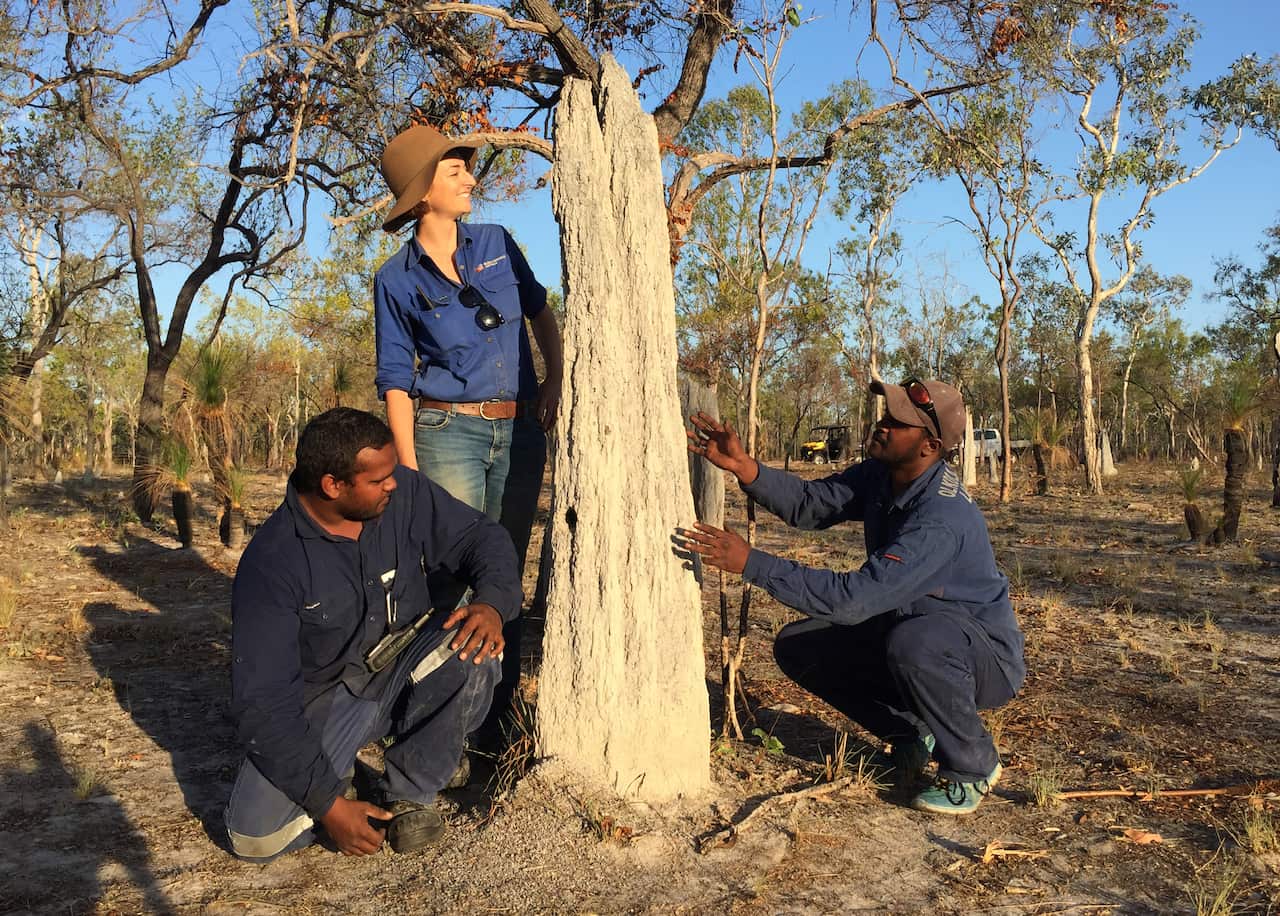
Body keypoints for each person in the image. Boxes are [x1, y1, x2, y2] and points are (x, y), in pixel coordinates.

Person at [682, 379, 1025, 815]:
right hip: (913, 625)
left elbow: (852, 600)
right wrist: (746, 467)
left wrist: (753, 563)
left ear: (929, 445)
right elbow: (813, 503)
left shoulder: (940, 521)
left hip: (981, 657)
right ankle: (910, 733)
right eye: (886, 416)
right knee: (800, 646)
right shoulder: (883, 475)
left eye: (897, 423)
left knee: (915, 645)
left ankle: (974, 765)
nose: (881, 426)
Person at [224, 408, 521, 860]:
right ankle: (345, 779)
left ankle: (408, 790)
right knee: (256, 840)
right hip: (326, 698)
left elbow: (481, 537)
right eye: (379, 480)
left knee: (474, 648)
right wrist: (328, 805)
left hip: (402, 661)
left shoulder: (402, 492)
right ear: (332, 485)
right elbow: (264, 703)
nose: (394, 484)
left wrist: (492, 603)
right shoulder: (271, 564)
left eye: (392, 473)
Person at [373, 124, 562, 743]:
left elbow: (540, 312)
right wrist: (406, 471)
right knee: (454, 574)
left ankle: (496, 721)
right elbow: (396, 382)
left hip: (521, 431)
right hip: (445, 432)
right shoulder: (396, 280)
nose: (470, 180)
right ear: (424, 191)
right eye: (455, 172)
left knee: (503, 570)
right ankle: (441, 727)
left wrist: (556, 379)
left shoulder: (498, 243)